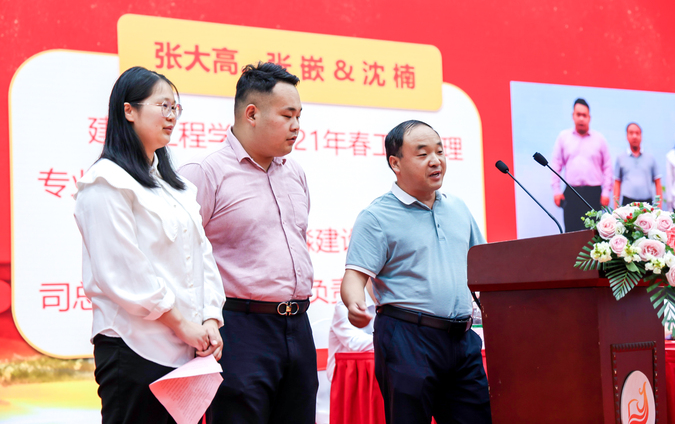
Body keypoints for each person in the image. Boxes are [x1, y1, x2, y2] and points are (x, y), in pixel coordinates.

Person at [73, 67, 225, 424]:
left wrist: (210, 319)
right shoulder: (105, 183)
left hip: (187, 351)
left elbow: (203, 257)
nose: (172, 116)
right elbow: (124, 272)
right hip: (134, 348)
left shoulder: (175, 186)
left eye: (176, 108)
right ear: (129, 110)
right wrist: (182, 324)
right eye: (163, 106)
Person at [179, 62, 317, 423]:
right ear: (251, 114)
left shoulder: (295, 173)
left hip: (298, 325)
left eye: (299, 116)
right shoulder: (205, 173)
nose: (297, 126)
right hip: (239, 328)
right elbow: (179, 259)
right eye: (287, 115)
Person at [340, 120, 491, 424]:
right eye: (422, 154)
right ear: (395, 163)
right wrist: (354, 302)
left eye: (440, 151)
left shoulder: (458, 208)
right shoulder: (377, 216)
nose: (435, 161)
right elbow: (355, 276)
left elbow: (484, 264)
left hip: (462, 339)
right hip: (407, 338)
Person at [551, 98, 613, 231]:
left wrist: (606, 192)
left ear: (589, 117)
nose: (581, 118)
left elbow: (607, 167)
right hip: (571, 193)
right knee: (571, 235)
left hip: (594, 194)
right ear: (573, 116)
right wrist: (556, 191)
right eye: (578, 114)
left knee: (594, 234)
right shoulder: (563, 137)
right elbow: (556, 165)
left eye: (584, 115)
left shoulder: (599, 139)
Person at [326, 280, 377, 383]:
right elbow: (355, 343)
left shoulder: (392, 306)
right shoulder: (347, 304)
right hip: (347, 380)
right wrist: (394, 342)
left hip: (377, 375)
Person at [613, 122, 662, 206]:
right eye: (631, 133)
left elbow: (658, 183)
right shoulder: (620, 158)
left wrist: (659, 206)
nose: (634, 136)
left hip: (646, 202)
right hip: (627, 202)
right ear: (626, 136)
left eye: (637, 133)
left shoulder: (650, 158)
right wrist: (616, 207)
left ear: (641, 136)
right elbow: (617, 183)